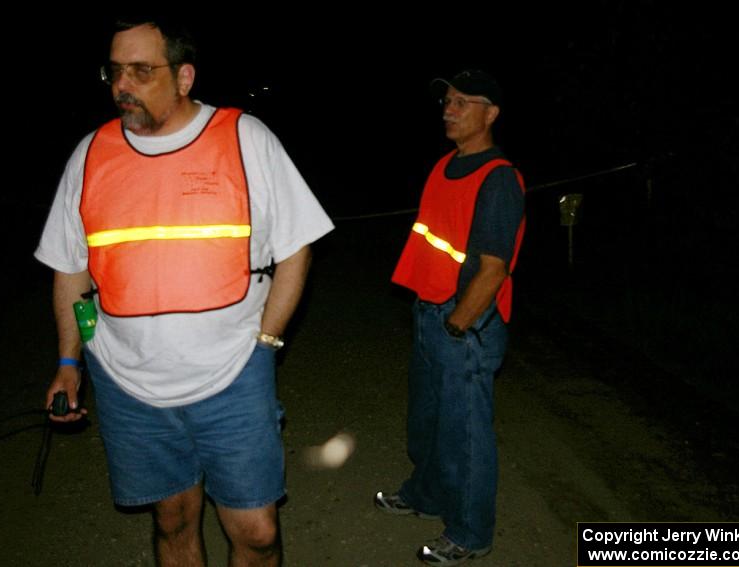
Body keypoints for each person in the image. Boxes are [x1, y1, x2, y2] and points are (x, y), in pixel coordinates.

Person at [35, 16, 333, 567]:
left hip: (233, 375)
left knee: (257, 531)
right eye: (115, 71)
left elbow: (297, 247)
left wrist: (267, 340)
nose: (123, 85)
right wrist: (69, 358)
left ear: (184, 77)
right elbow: (72, 270)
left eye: (142, 71)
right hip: (128, 384)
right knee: (172, 521)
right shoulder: (91, 154)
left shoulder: (245, 138)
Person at [375, 69, 525, 565]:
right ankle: (426, 495)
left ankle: (469, 532)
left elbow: (494, 268)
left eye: (464, 101)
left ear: (491, 114)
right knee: (429, 423)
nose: (450, 109)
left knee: (465, 437)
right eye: (448, 100)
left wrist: (459, 323)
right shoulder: (444, 166)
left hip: (466, 326)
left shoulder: (498, 177)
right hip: (430, 312)